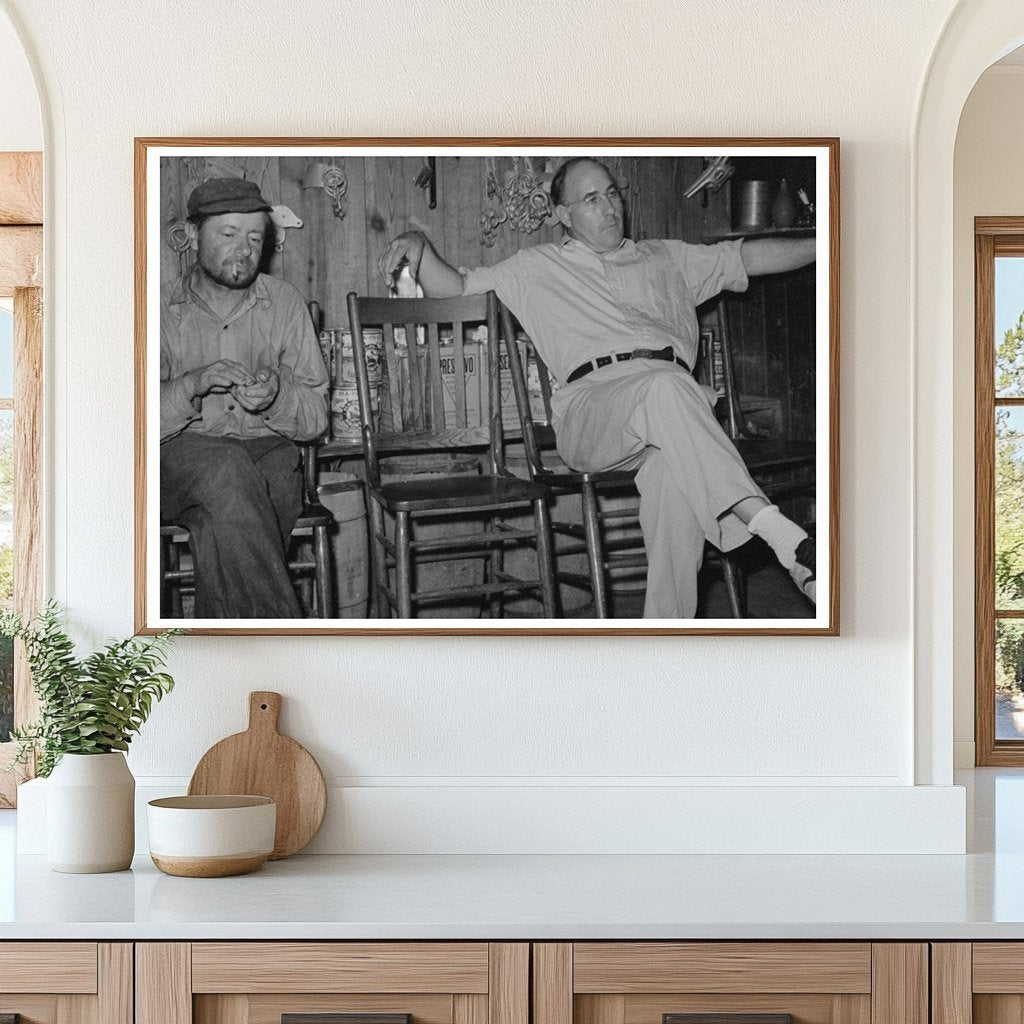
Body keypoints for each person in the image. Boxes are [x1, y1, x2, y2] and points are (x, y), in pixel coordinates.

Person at [379, 156, 817, 619]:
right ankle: (786, 540)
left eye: (612, 194)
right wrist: (420, 245)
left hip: (672, 414)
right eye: (591, 199)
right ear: (563, 216)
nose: (609, 207)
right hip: (593, 414)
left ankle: (666, 635)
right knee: (667, 386)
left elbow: (746, 256)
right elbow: (454, 286)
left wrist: (825, 242)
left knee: (673, 473)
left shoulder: (667, 257)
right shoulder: (536, 267)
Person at [160, 177, 328, 618]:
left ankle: (224, 648)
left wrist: (277, 397)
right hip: (178, 461)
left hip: (267, 456)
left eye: (255, 238)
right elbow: (129, 423)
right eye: (229, 234)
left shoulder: (285, 303)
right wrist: (191, 384)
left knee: (221, 521)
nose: (244, 250)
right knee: (228, 466)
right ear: (193, 235)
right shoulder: (156, 308)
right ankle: (286, 635)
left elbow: (317, 418)